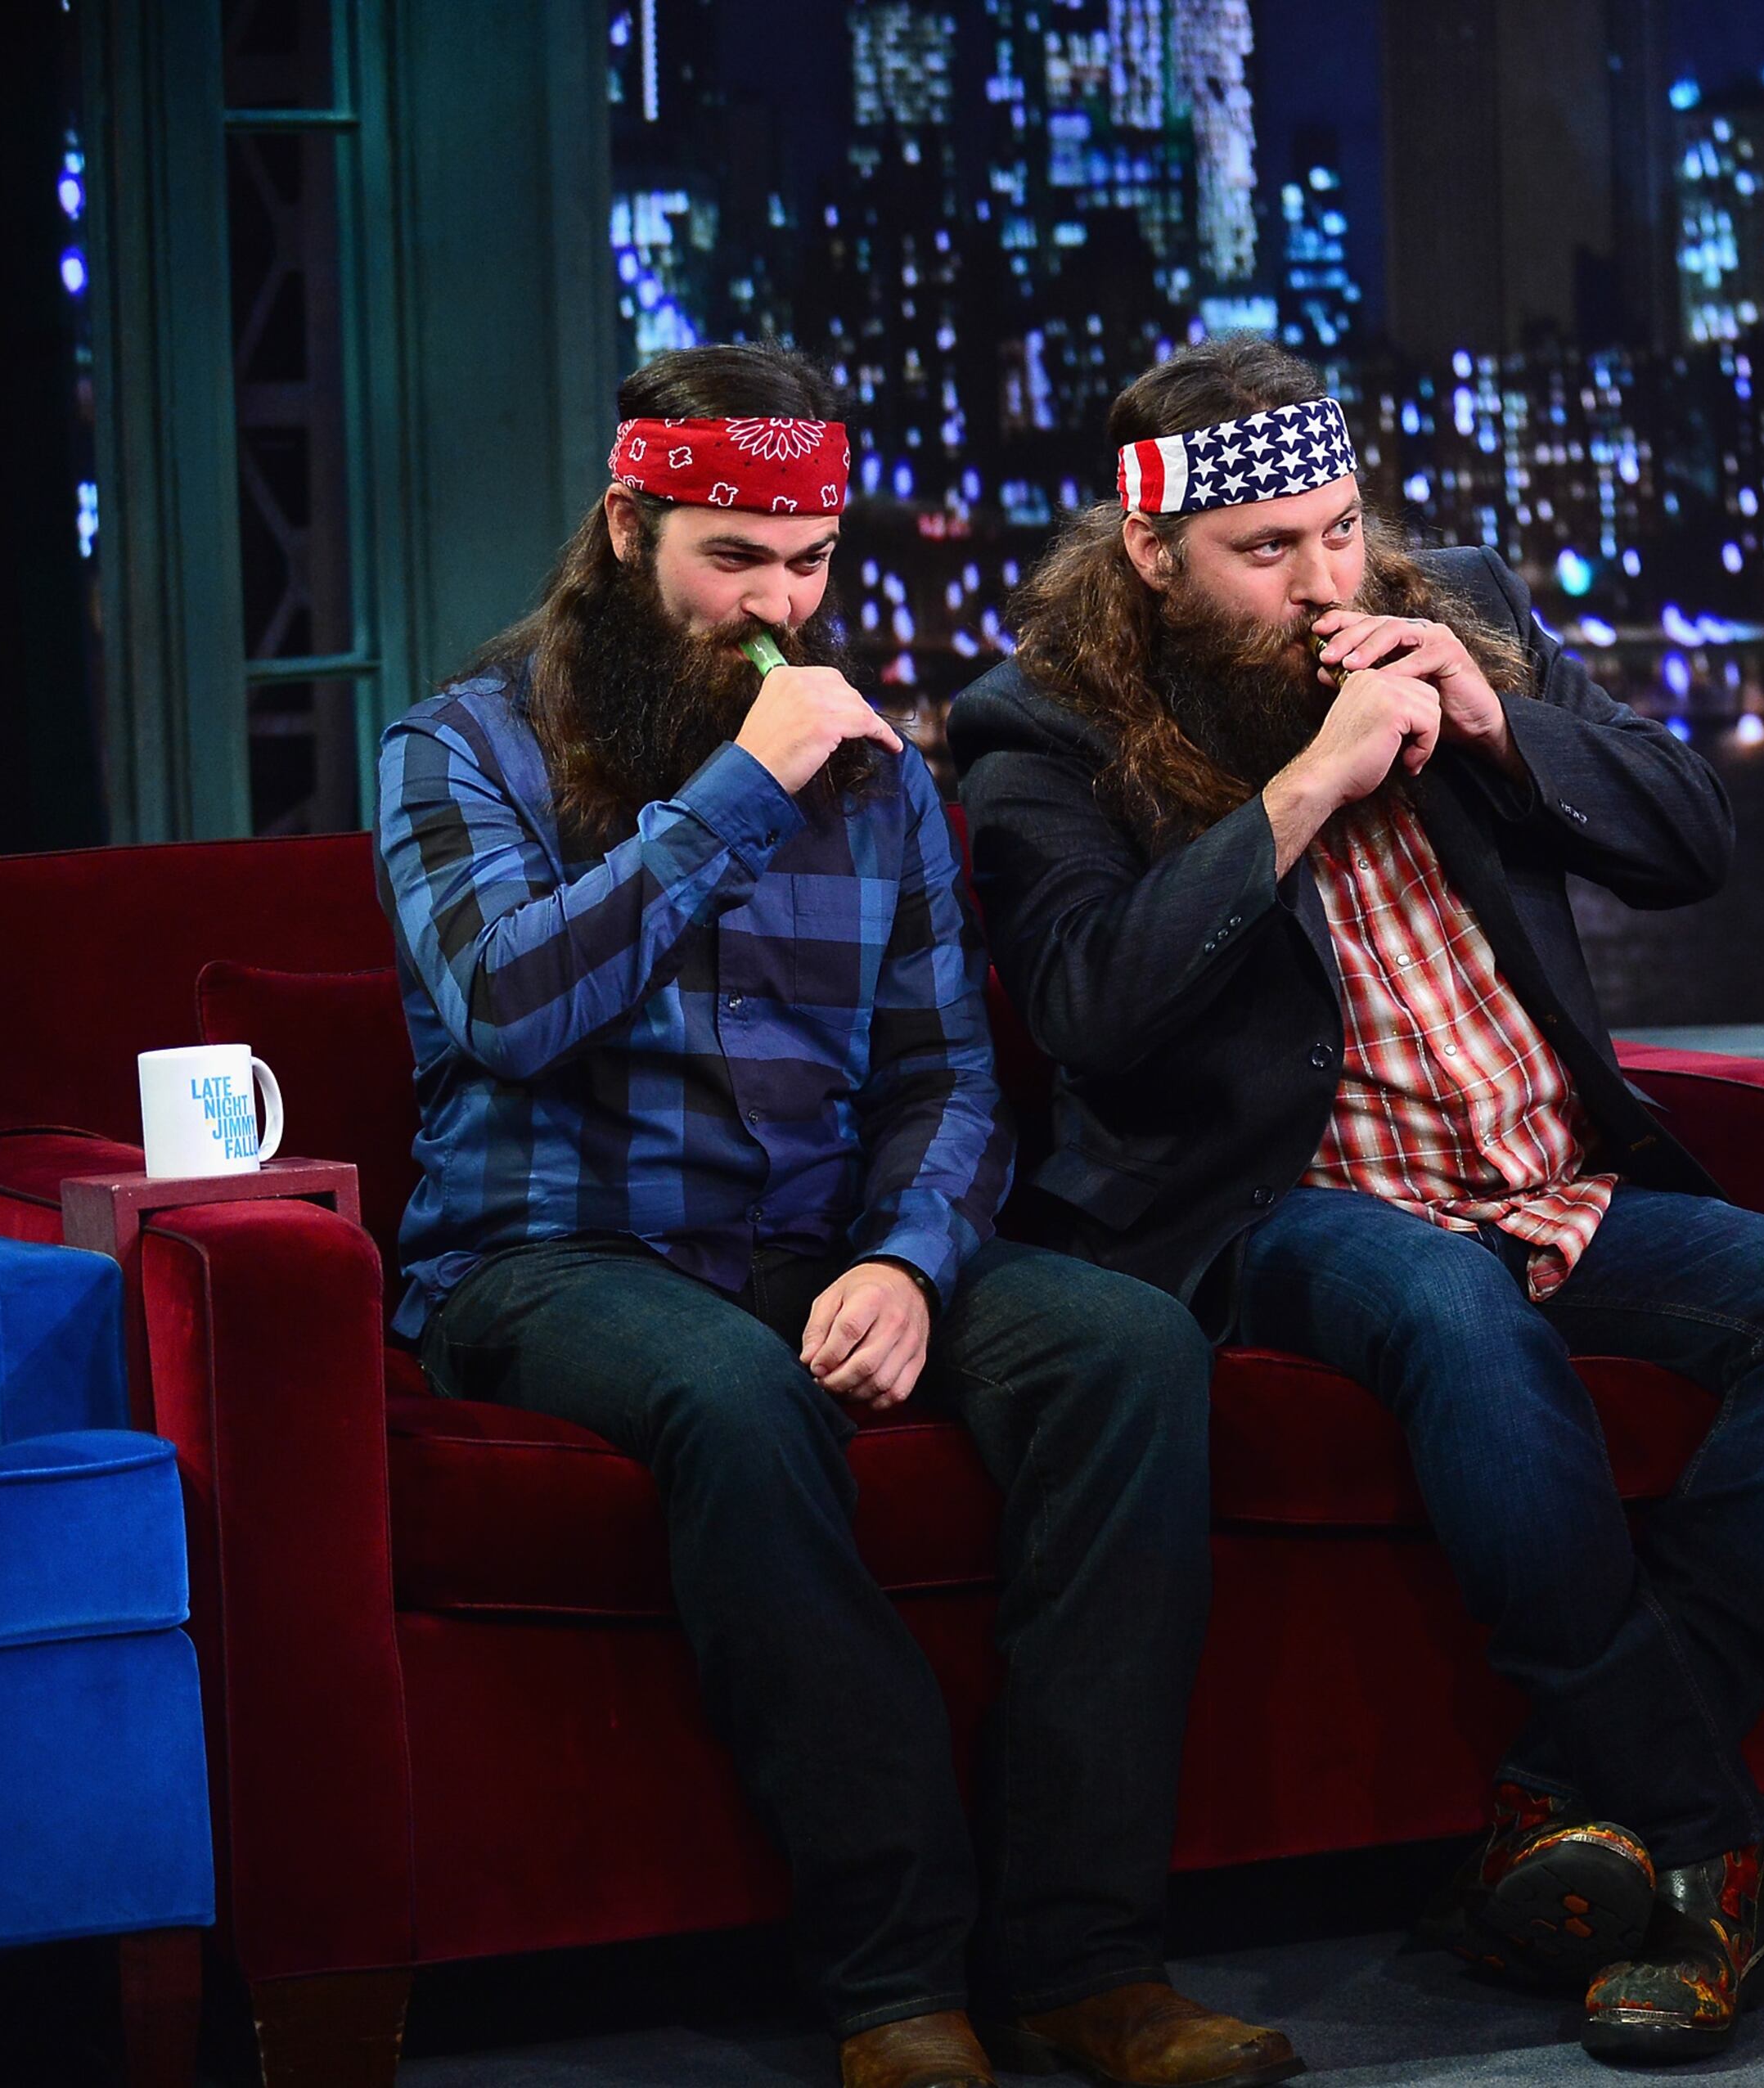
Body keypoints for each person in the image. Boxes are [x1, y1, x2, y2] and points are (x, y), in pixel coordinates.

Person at [948, 336, 1764, 2067]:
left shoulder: (1462, 608)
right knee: (1448, 1305)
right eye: (1271, 554)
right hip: (1282, 1206)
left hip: (1548, 1175)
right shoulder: (1047, 725)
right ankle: (1702, 1844)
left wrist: (1495, 715)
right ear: (1155, 556)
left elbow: (1691, 839)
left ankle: (1566, 1807)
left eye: (1340, 529)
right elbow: (1091, 998)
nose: (1325, 581)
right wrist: (1308, 780)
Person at [374, 343, 1302, 2088]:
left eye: (808, 564)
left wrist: (907, 1255)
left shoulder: (880, 782)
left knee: (1126, 1345)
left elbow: (946, 1077)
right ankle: (896, 1984)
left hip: (811, 1239)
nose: (778, 605)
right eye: (735, 559)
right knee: (738, 1397)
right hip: (547, 1255)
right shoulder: (461, 748)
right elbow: (507, 999)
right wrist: (741, 792)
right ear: (630, 526)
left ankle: (1086, 1961)